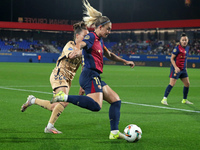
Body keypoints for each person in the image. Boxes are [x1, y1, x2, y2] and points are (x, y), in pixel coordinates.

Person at [51, 0, 135, 140]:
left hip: (94, 76)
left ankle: (114, 133)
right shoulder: (91, 36)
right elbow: (82, 44)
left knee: (116, 100)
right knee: (96, 105)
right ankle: (63, 97)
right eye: (108, 29)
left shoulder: (100, 40)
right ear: (100, 27)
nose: (109, 31)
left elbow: (109, 55)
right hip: (89, 75)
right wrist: (77, 51)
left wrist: (125, 61)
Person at [21, 21, 89, 134]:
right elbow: (72, 55)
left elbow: (84, 68)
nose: (86, 39)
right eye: (84, 36)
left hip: (68, 80)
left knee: (55, 107)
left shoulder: (84, 51)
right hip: (59, 74)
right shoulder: (70, 45)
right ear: (77, 36)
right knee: (65, 101)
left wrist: (82, 85)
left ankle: (32, 100)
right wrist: (83, 52)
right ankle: (49, 127)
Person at [161, 33, 193, 105]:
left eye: (186, 40)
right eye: (183, 40)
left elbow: (185, 59)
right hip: (176, 69)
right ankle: (164, 99)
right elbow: (172, 59)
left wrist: (186, 68)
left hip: (183, 69)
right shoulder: (177, 48)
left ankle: (184, 100)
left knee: (187, 84)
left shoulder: (187, 48)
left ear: (187, 40)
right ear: (180, 41)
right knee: (172, 83)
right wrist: (175, 67)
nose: (184, 41)